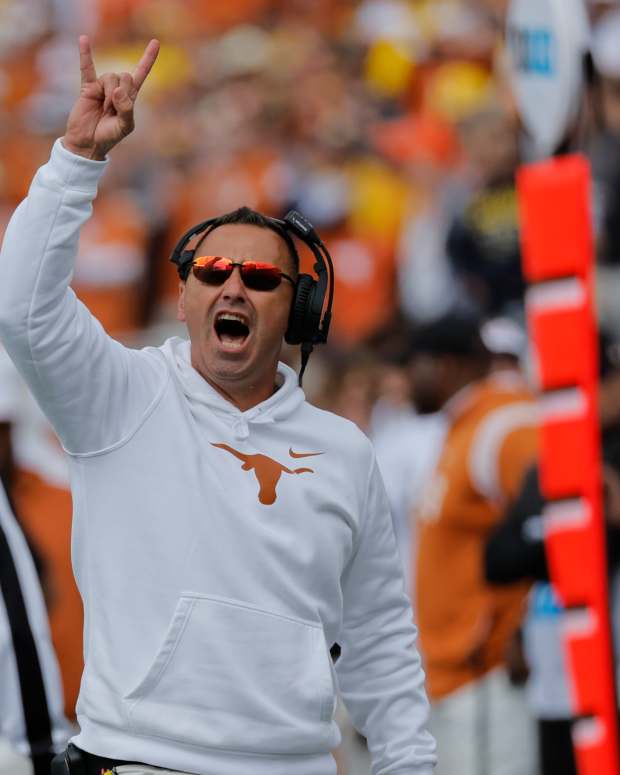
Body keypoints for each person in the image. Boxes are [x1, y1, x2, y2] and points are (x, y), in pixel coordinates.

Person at [0, 36, 436, 775]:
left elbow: (380, 641)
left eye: (260, 277)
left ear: (298, 314)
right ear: (184, 295)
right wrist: (77, 160)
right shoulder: (120, 396)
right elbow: (21, 307)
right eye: (213, 270)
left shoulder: (345, 450)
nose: (233, 286)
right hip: (138, 761)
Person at [411, 314, 538, 775]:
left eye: (414, 364)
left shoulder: (504, 421)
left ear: (445, 365)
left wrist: (518, 627)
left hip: (487, 675)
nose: (407, 378)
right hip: (452, 675)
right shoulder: (466, 422)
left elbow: (553, 516)